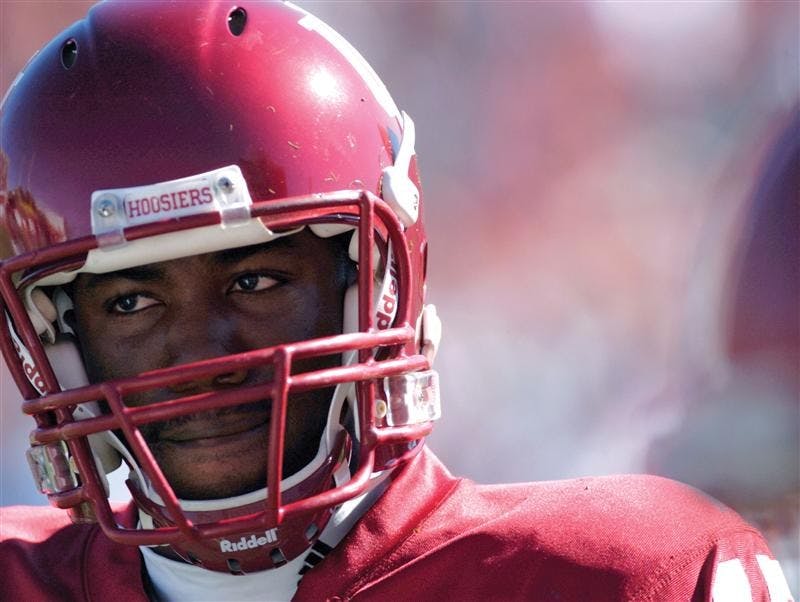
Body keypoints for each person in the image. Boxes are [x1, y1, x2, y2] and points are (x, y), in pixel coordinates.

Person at [0, 2, 793, 600]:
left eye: (256, 282)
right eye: (133, 304)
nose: (202, 351)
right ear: (55, 338)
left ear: (374, 288)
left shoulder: (620, 574)